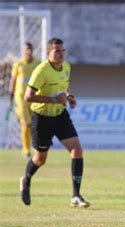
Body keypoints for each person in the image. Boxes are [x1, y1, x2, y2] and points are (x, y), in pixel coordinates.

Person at [20, 37, 90, 208]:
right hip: (42, 117)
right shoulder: (41, 70)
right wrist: (53, 100)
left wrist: (70, 98)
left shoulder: (66, 67)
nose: (61, 54)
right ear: (48, 53)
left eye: (63, 50)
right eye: (57, 51)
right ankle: (26, 179)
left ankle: (76, 195)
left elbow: (64, 88)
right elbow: (27, 96)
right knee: (40, 159)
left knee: (77, 149)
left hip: (60, 115)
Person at [9, 42, 41, 159]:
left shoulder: (38, 63)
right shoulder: (18, 64)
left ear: (33, 50)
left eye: (30, 49)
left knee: (35, 124)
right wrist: (11, 94)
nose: (28, 52)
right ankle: (26, 150)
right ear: (23, 51)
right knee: (25, 124)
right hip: (20, 98)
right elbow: (13, 80)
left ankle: (34, 145)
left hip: (34, 97)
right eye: (26, 49)